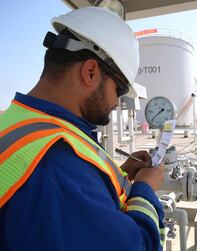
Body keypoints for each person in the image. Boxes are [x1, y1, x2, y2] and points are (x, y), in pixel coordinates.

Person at [0, 7, 165, 251]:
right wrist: (145, 189)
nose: (117, 101)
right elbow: (138, 246)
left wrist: (119, 174)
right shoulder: (56, 165)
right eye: (119, 89)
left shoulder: (20, 121)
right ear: (90, 72)